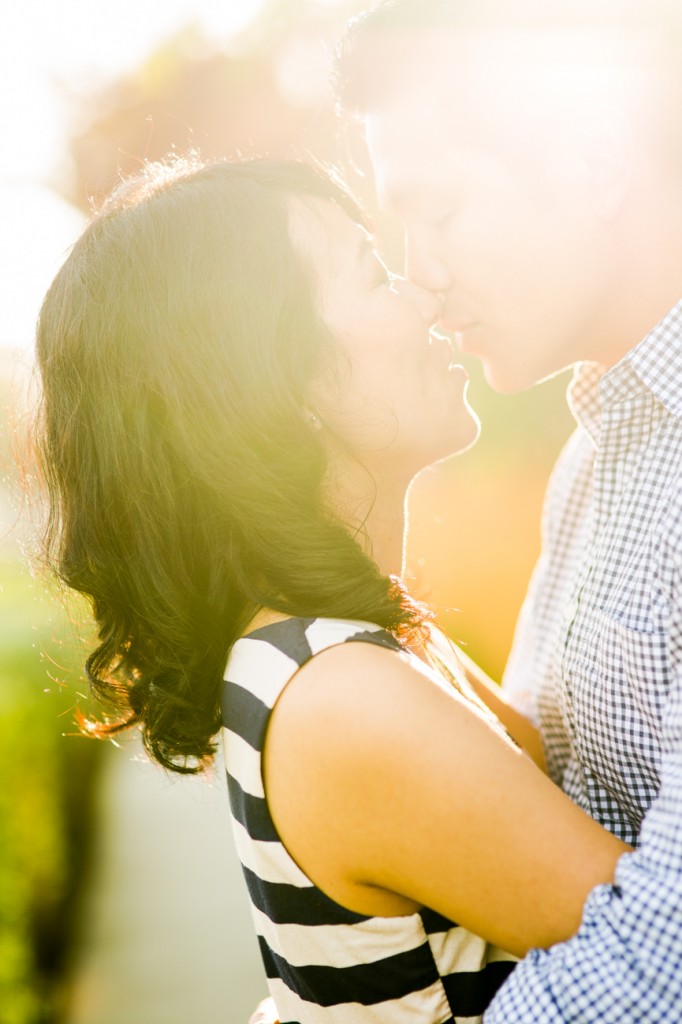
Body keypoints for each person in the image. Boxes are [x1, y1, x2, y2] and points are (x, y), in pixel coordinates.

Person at [35, 156, 628, 1024]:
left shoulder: (335, 651)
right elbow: (656, 952)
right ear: (275, 382)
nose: (426, 294)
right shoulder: (346, 699)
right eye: (374, 273)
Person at [328, 0, 682, 1020]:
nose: (423, 281)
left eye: (435, 212)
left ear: (591, 165)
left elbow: (667, 956)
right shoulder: (596, 455)